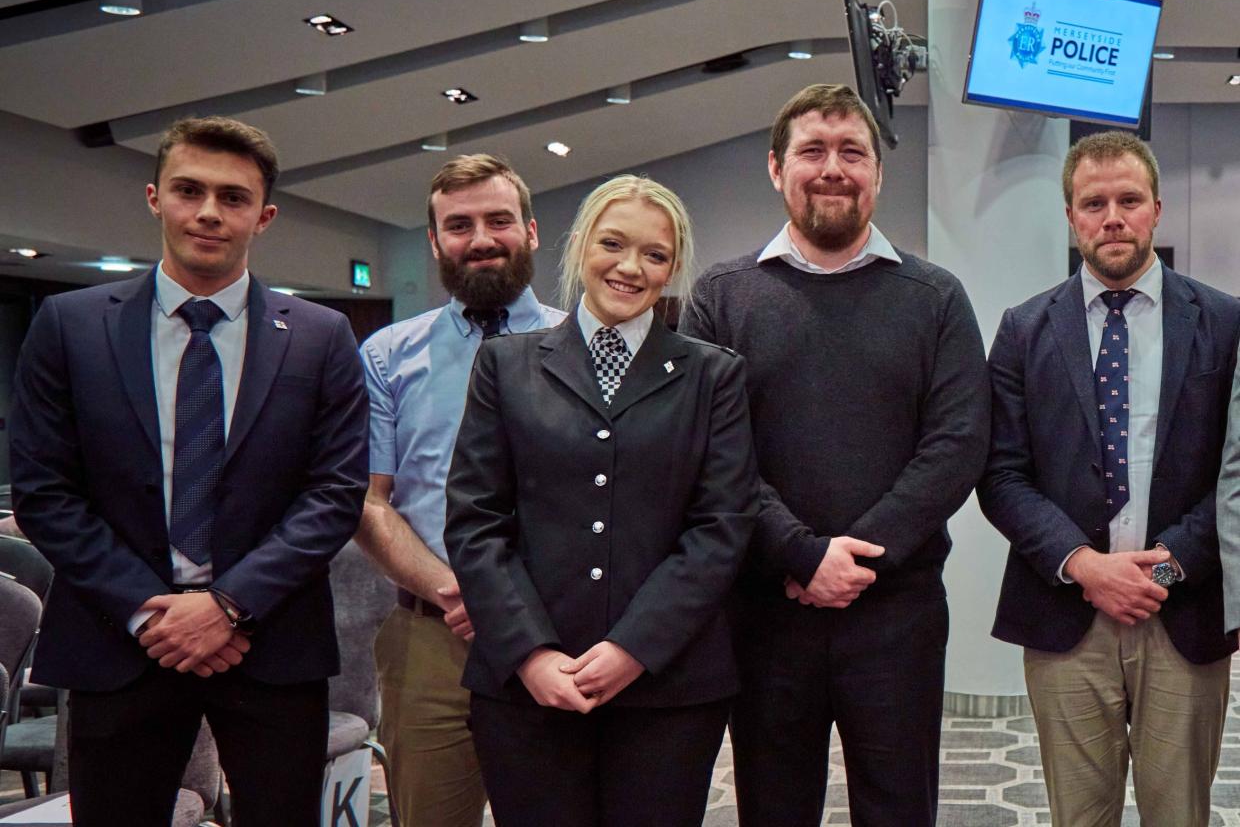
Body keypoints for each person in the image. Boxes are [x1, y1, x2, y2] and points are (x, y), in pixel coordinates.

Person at [9, 115, 369, 825]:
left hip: (269, 643)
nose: (209, 212)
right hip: (120, 640)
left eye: (233, 198)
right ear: (154, 198)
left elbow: (334, 493)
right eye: (189, 190)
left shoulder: (321, 337)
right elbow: (46, 493)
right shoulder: (69, 325)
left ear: (263, 216)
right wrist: (152, 612)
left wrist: (227, 604)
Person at [678, 83, 990, 827]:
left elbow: (957, 443)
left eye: (853, 152)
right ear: (775, 167)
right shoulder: (721, 296)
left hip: (898, 618)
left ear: (878, 174)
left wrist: (855, 562)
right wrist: (800, 554)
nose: (833, 168)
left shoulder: (936, 298)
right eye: (812, 150)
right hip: (764, 616)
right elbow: (712, 453)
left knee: (899, 809)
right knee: (774, 810)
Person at [444, 174, 758, 826]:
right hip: (526, 688)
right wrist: (530, 653)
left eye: (655, 255)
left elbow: (720, 529)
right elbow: (476, 522)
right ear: (581, 243)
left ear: (673, 268)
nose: (630, 267)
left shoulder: (713, 374)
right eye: (613, 243)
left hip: (669, 689)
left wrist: (633, 649)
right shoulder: (507, 364)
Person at [980, 130, 1240, 827]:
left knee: (1178, 815)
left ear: (1156, 208)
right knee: (1079, 817)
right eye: (1094, 202)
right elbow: (1001, 474)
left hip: (1184, 612)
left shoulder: (1224, 321)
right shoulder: (1024, 330)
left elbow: (1237, 473)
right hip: (1067, 615)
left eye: (1129, 199)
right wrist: (1086, 566)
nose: (1112, 216)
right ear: (1071, 216)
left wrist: (1166, 568)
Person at [353, 153, 563, 827]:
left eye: (499, 219)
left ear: (530, 231)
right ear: (434, 242)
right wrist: (458, 592)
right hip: (430, 637)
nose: (480, 238)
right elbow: (368, 501)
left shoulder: (588, 345)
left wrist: (512, 604)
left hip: (558, 631)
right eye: (459, 224)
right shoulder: (387, 355)